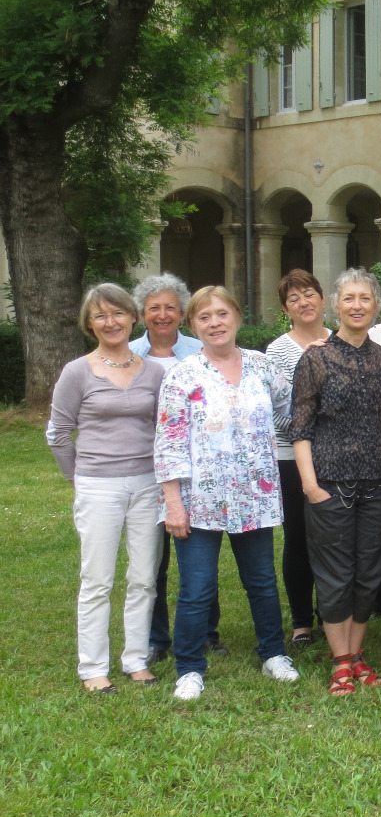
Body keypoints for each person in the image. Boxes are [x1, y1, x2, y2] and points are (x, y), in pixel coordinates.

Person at [152, 286, 299, 701]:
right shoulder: (181, 375)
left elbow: (293, 413)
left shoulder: (262, 365)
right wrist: (173, 504)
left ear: (237, 316)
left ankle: (273, 653)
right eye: (203, 317)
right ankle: (189, 668)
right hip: (200, 501)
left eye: (221, 313)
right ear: (193, 325)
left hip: (255, 494)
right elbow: (169, 442)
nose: (214, 323)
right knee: (197, 588)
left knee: (263, 583)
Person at [48, 284, 167, 692]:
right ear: (89, 324)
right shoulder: (77, 372)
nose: (110, 322)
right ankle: (92, 669)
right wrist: (76, 478)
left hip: (147, 484)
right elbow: (59, 433)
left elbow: (164, 431)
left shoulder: (154, 371)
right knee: (97, 580)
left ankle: (136, 659)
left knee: (144, 578)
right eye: (100, 316)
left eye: (117, 313)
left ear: (133, 317)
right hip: (98, 485)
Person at [291, 268, 381, 696]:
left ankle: (357, 656)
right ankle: (339, 661)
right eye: (349, 298)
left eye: (365, 299)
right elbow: (299, 428)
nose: (357, 306)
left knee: (369, 574)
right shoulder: (315, 359)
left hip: (378, 484)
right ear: (336, 305)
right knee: (335, 575)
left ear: (376, 307)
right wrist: (310, 486)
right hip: (330, 483)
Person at [130, 273, 218, 662]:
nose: (162, 315)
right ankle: (156, 638)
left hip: (200, 469)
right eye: (154, 308)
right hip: (144, 466)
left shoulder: (203, 349)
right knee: (154, 557)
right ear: (141, 314)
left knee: (202, 553)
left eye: (169, 307)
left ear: (183, 314)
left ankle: (207, 631)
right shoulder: (129, 353)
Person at [265, 270, 331, 648]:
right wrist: (317, 423)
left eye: (309, 294)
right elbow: (277, 411)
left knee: (333, 538)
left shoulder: (341, 341)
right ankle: (302, 620)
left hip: (334, 457)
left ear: (322, 300)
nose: (304, 302)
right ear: (286, 309)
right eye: (294, 298)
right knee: (299, 536)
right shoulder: (278, 350)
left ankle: (332, 612)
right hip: (291, 455)